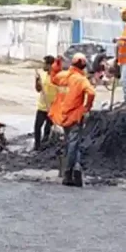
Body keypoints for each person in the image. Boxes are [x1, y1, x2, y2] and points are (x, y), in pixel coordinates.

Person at [48, 53, 96, 187]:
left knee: (73, 144)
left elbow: (53, 77)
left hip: (63, 115)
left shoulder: (63, 76)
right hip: (74, 116)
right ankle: (69, 173)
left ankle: (77, 172)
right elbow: (91, 93)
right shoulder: (81, 80)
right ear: (84, 65)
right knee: (73, 145)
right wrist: (87, 107)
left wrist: (57, 62)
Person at [33, 55, 56, 150]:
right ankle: (37, 146)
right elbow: (38, 89)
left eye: (44, 64)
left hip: (53, 107)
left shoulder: (57, 77)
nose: (43, 66)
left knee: (48, 128)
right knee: (37, 127)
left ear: (50, 65)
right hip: (42, 106)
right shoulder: (43, 75)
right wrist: (37, 81)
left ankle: (45, 145)